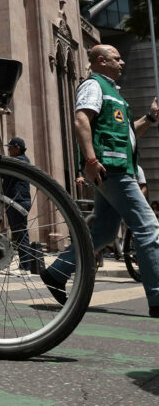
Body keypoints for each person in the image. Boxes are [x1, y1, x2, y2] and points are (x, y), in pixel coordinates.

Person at [41, 44, 159, 318]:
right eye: (117, 59)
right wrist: (91, 160)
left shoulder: (114, 94)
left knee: (104, 233)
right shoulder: (93, 86)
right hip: (111, 170)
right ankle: (157, 297)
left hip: (118, 169)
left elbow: (130, 135)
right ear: (102, 61)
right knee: (148, 226)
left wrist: (151, 117)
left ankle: (57, 272)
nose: (122, 63)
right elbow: (82, 118)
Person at [3, 137, 34, 275]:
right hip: (17, 201)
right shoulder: (21, 160)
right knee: (19, 234)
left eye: (10, 147)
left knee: (21, 234)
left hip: (18, 202)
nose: (8, 150)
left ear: (17, 148)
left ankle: (25, 268)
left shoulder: (20, 161)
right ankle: (24, 265)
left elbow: (1, 171)